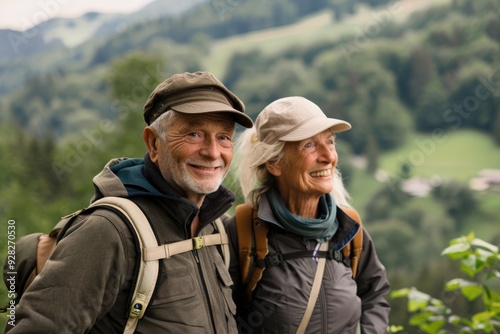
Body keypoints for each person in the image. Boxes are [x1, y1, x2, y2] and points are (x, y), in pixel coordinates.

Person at [6, 71, 253, 333]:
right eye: (194, 134)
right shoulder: (107, 231)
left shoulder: (216, 228)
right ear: (154, 144)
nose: (213, 152)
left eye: (224, 137)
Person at [225, 96, 390, 333]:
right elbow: (223, 315)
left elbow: (375, 293)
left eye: (330, 142)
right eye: (309, 145)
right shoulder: (245, 232)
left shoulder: (348, 228)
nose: (328, 156)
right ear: (274, 163)